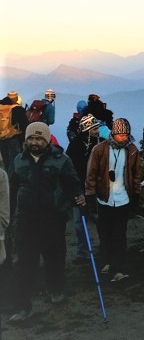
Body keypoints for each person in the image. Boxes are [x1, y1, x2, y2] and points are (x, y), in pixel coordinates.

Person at [8, 123, 85, 322]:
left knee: (54, 258)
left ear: (47, 140)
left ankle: (55, 289)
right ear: (26, 140)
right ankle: (23, 306)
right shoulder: (18, 160)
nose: (34, 142)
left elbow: (73, 183)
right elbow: (12, 188)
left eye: (39, 139)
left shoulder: (61, 160)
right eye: (31, 139)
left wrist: (78, 197)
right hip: (25, 220)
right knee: (24, 263)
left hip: (53, 219)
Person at [85, 118, 141, 282]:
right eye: (121, 134)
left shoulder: (132, 150)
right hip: (104, 199)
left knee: (119, 235)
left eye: (127, 135)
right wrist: (90, 196)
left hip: (123, 199)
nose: (124, 138)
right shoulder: (100, 149)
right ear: (114, 134)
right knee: (104, 233)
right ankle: (107, 261)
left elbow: (136, 175)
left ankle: (118, 268)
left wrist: (136, 195)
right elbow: (91, 174)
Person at [65, 114, 104, 261]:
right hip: (81, 188)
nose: (97, 129)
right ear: (87, 129)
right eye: (94, 127)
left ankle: (100, 247)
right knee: (81, 221)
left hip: (94, 188)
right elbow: (69, 167)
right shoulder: (76, 145)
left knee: (94, 219)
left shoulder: (101, 144)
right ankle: (84, 251)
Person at [0, 91, 28, 172]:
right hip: (14, 139)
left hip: (1, 138)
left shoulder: (1, 108)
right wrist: (23, 140)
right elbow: (24, 125)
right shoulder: (18, 109)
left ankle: (5, 180)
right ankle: (13, 181)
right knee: (14, 162)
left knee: (6, 162)